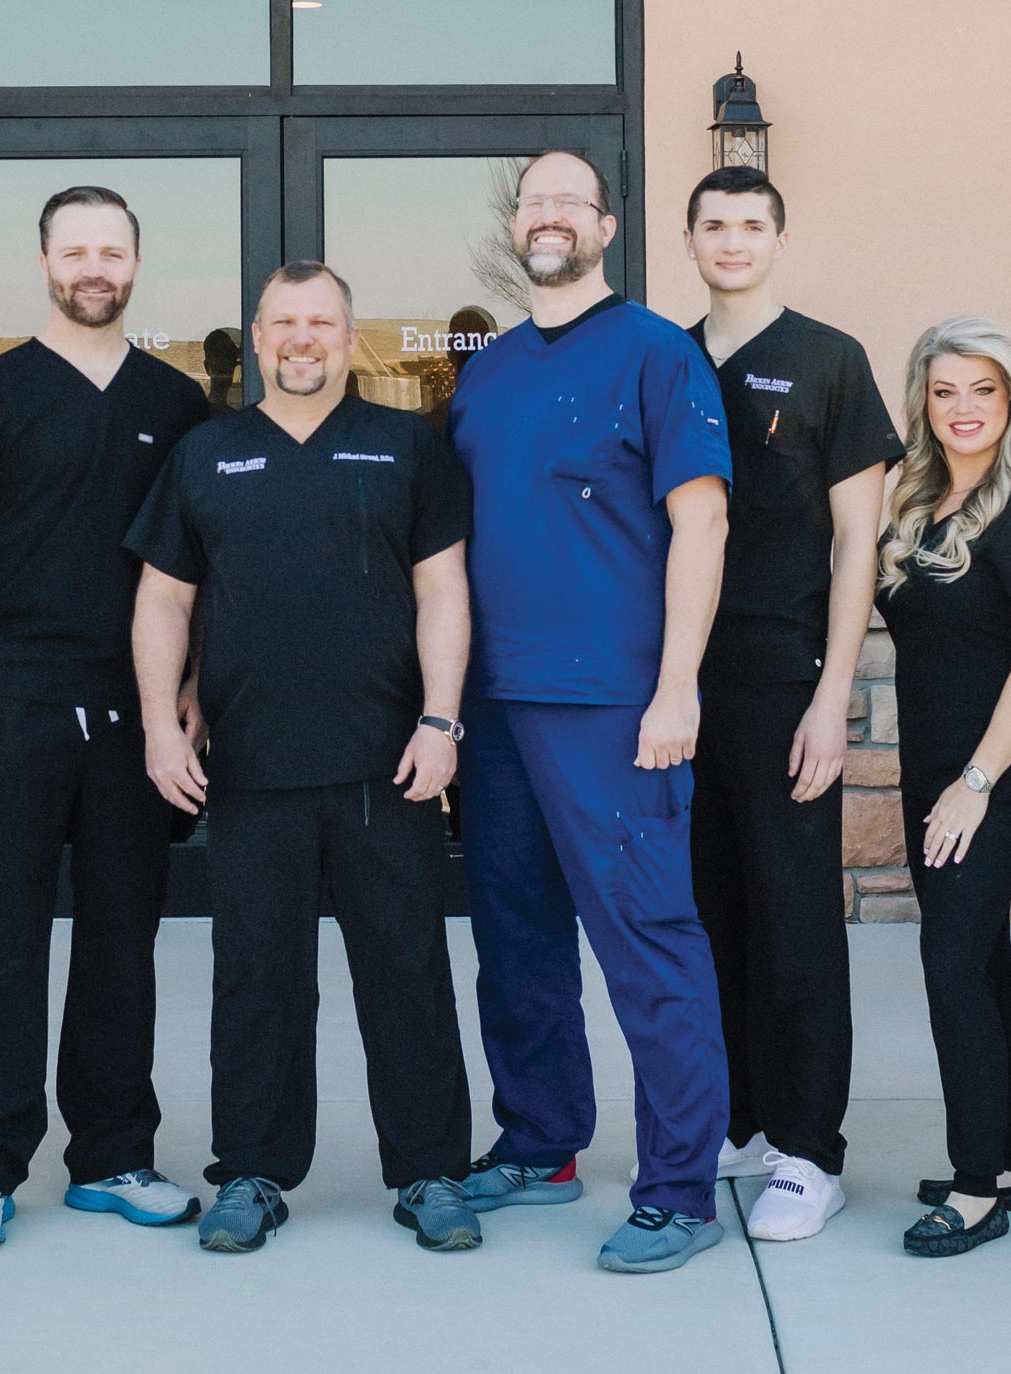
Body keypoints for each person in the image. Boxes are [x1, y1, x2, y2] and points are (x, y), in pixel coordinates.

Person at [127, 260, 479, 1255]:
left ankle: (429, 1173)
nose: (301, 339)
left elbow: (444, 589)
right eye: (284, 322)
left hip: (389, 764)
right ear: (257, 333)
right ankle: (251, 1171)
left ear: (348, 334)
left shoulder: (405, 447)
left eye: (320, 322)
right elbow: (162, 597)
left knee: (406, 973)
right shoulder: (207, 453)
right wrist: (161, 719)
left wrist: (442, 719)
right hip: (250, 766)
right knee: (255, 979)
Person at [445, 149, 734, 1275]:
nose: (550, 215)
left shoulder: (659, 355)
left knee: (648, 941)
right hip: (498, 702)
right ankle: (542, 1141)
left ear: (606, 228)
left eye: (572, 200)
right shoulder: (490, 371)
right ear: (516, 229)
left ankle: (677, 1187)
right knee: (515, 940)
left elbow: (701, 527)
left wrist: (675, 688)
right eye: (533, 202)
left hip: (614, 701)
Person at [0, 186, 212, 1249]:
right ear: (42, 262)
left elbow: (194, 567)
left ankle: (113, 1157)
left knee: (122, 943)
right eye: (75, 250)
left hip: (134, 718)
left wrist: (185, 688)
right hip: (14, 705)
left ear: (136, 264)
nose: (94, 266)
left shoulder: (176, 406)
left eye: (112, 250)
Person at [677, 163, 899, 1242]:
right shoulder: (664, 358)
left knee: (796, 913)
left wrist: (833, 693)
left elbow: (859, 539)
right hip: (678, 674)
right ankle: (743, 1119)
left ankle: (811, 1151)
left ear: (778, 238)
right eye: (714, 224)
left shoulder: (828, 361)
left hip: (781, 670)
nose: (732, 241)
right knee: (710, 903)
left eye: (750, 224)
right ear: (688, 239)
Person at [873, 317, 1011, 1259]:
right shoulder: (915, 502)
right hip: (936, 767)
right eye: (945, 390)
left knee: (952, 962)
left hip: (1000, 768)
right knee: (982, 953)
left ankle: (973, 1186)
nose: (962, 408)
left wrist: (976, 782)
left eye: (983, 391)